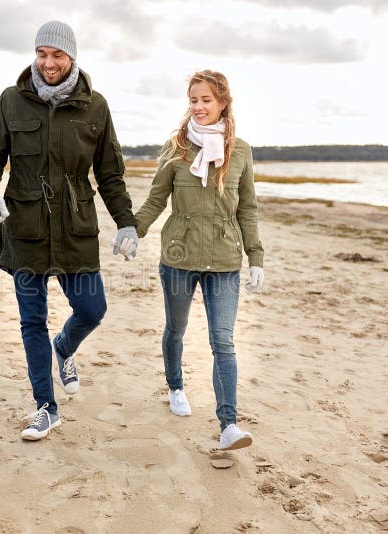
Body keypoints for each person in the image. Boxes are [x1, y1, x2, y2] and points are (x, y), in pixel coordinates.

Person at [0, 21, 138, 441]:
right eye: (42, 53)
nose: (48, 63)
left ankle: (63, 348)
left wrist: (126, 222)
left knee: (92, 310)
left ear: (72, 59)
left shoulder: (95, 107)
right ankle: (46, 407)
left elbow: (110, 173)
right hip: (24, 229)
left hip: (75, 229)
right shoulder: (11, 100)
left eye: (57, 56)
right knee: (32, 321)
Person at [131, 70, 264, 450]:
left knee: (223, 341)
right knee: (176, 328)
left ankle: (228, 425)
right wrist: (133, 230)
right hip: (178, 255)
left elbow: (248, 208)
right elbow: (157, 198)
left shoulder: (240, 150)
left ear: (223, 102)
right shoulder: (175, 147)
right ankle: (175, 386)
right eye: (193, 100)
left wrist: (255, 256)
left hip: (224, 259)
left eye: (206, 100)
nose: (199, 107)